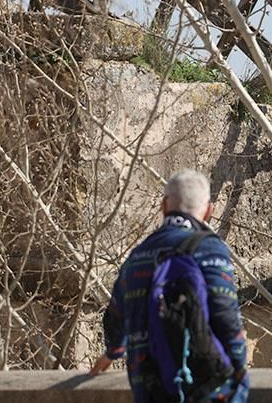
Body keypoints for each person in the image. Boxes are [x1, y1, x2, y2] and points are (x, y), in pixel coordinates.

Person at [89, 169, 250, 402]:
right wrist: (238, 374)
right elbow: (225, 316)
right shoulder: (210, 249)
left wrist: (113, 352)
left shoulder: (138, 256)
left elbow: (115, 316)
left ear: (164, 206)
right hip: (204, 387)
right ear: (209, 211)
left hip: (149, 387)